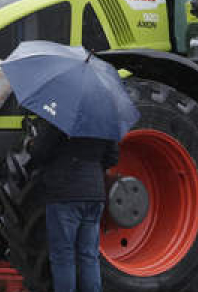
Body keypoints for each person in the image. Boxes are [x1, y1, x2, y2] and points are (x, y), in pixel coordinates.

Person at [28, 118, 120, 292]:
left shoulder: (61, 115)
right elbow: (112, 157)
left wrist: (31, 145)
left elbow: (40, 152)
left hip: (64, 193)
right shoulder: (103, 117)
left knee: (63, 255)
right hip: (94, 193)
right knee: (89, 254)